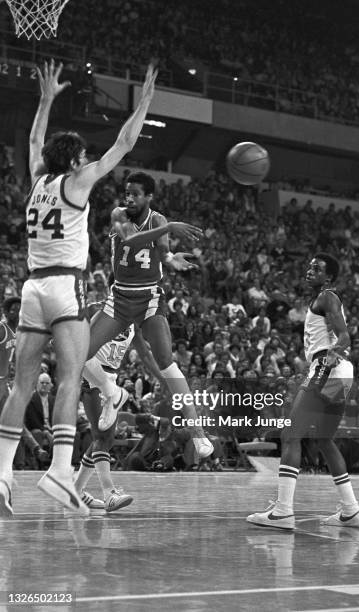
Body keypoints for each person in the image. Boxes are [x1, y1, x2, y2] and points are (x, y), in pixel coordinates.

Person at [0, 58, 157, 517]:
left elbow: (32, 141)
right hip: (65, 291)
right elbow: (123, 145)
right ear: (73, 161)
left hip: (30, 289)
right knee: (71, 376)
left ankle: (3, 476)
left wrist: (46, 100)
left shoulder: (37, 180)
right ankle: (60, 472)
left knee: (21, 386)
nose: (88, 160)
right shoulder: (75, 181)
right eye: (83, 156)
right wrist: (144, 101)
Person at [86, 171, 213, 459]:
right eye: (127, 192)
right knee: (79, 354)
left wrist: (172, 259)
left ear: (149, 197)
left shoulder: (158, 220)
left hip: (149, 297)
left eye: (135, 194)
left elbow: (164, 252)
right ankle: (111, 393)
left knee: (167, 361)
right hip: (119, 296)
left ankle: (198, 433)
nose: (129, 198)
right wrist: (170, 228)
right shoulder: (119, 214)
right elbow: (130, 241)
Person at [247, 253, 359, 529]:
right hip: (343, 373)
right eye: (310, 266)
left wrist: (331, 355)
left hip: (328, 367)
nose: (311, 270)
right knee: (324, 439)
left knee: (291, 435)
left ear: (329, 277)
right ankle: (351, 510)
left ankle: (283, 511)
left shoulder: (327, 297)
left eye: (318, 268)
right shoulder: (322, 299)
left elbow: (345, 336)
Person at [73, 302, 164, 512]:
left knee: (105, 438)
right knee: (101, 436)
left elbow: (145, 354)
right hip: (92, 377)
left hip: (111, 378)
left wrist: (162, 378)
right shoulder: (96, 309)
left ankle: (76, 490)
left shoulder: (135, 322)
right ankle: (109, 493)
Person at [0, 298, 49, 469]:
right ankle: (34, 448)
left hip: (3, 383)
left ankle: (34, 449)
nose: (17, 312)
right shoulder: (2, 328)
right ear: (5, 312)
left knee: (14, 420)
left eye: (19, 309)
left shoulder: (17, 331)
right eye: (13, 309)